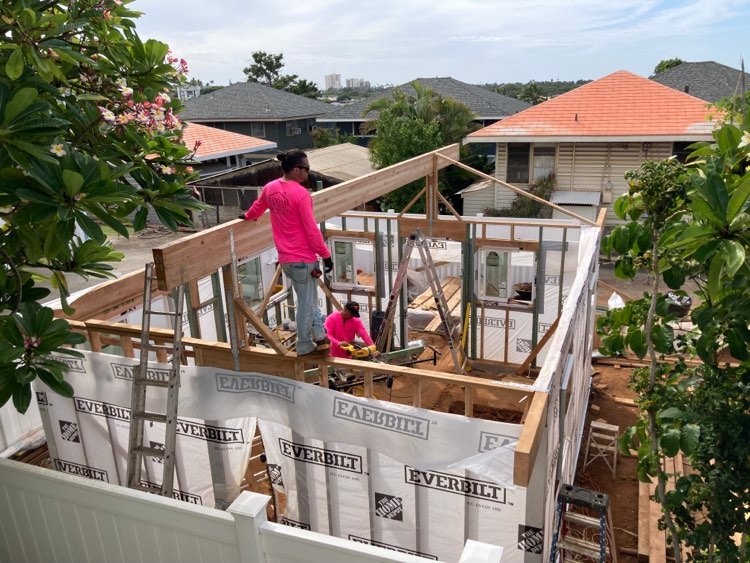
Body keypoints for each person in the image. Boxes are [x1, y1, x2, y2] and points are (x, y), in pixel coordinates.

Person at [239, 150, 332, 356]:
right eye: (306, 169)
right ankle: (304, 344)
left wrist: (247, 216)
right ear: (296, 170)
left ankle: (320, 337)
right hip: (303, 259)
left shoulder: (270, 188)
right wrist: (326, 255)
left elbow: (257, 209)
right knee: (306, 304)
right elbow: (311, 230)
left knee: (309, 298)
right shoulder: (301, 194)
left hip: (286, 260)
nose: (308, 172)